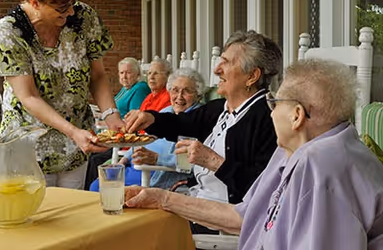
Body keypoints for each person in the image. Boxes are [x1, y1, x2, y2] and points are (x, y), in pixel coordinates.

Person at [124, 59, 383, 249]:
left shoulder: (323, 167)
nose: (270, 112)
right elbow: (245, 216)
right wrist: (161, 199)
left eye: (274, 103)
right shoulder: (292, 150)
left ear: (297, 116)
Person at [0, 0, 124, 189]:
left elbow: (98, 75)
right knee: (35, 221)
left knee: (72, 217)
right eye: (62, 8)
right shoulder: (9, 33)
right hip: (27, 148)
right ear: (34, 2)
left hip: (76, 146)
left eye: (72, 3)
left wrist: (111, 116)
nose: (70, 11)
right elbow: (28, 96)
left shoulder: (84, 18)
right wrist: (73, 132)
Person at [126, 30, 281, 234]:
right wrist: (152, 118)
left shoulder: (269, 120)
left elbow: (261, 190)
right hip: (193, 204)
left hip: (221, 223)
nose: (217, 70)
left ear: (252, 76)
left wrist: (213, 161)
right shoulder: (221, 108)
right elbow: (183, 123)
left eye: (226, 63)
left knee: (136, 232)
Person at [89, 68, 205, 191]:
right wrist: (124, 159)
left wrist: (157, 159)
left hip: (153, 173)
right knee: (97, 184)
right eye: (175, 90)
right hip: (134, 165)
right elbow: (143, 139)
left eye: (187, 91)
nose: (179, 96)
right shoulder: (166, 112)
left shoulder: (198, 120)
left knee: (103, 189)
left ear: (198, 94)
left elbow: (192, 163)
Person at [84, 57, 172, 189]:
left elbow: (141, 128)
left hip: (134, 145)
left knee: (95, 159)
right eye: (149, 73)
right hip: (133, 146)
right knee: (93, 155)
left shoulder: (158, 97)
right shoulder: (149, 96)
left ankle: (88, 194)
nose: (151, 77)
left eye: (156, 73)